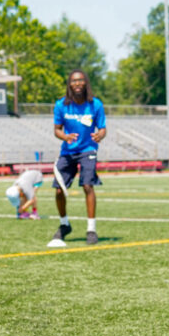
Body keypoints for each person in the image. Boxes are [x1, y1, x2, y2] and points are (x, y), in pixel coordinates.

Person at [50, 69, 106, 245]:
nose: (77, 83)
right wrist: (65, 137)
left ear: (86, 83)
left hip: (88, 149)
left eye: (81, 80)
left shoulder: (95, 104)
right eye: (74, 81)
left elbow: (102, 128)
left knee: (88, 185)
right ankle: (64, 224)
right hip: (68, 151)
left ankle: (91, 229)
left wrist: (100, 135)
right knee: (59, 189)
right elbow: (57, 130)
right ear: (69, 84)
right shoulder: (61, 105)